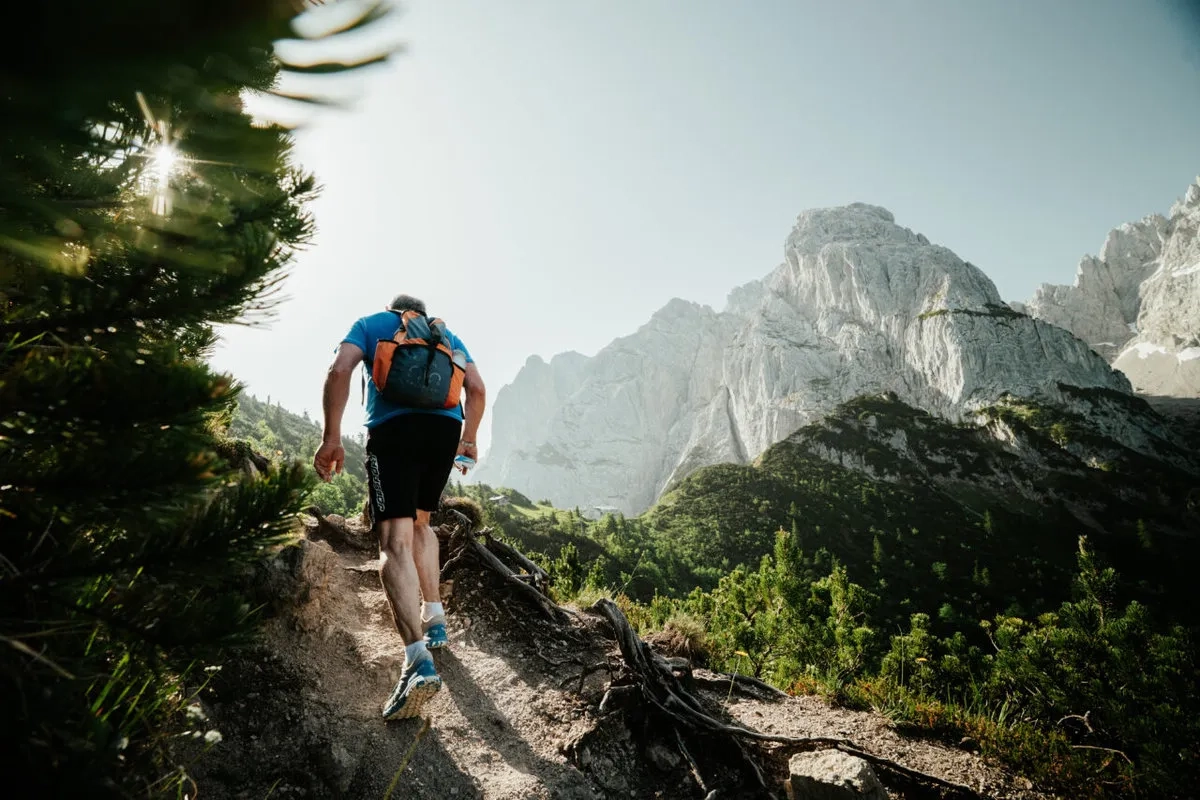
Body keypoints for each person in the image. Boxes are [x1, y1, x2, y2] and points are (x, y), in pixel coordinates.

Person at [314, 293, 485, 720]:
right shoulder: (447, 336)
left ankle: (416, 661)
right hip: (443, 432)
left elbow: (339, 370)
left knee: (394, 539)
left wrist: (331, 438)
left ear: (395, 309)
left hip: (394, 430)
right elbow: (477, 389)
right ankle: (435, 616)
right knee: (422, 523)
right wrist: (469, 439)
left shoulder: (371, 324)